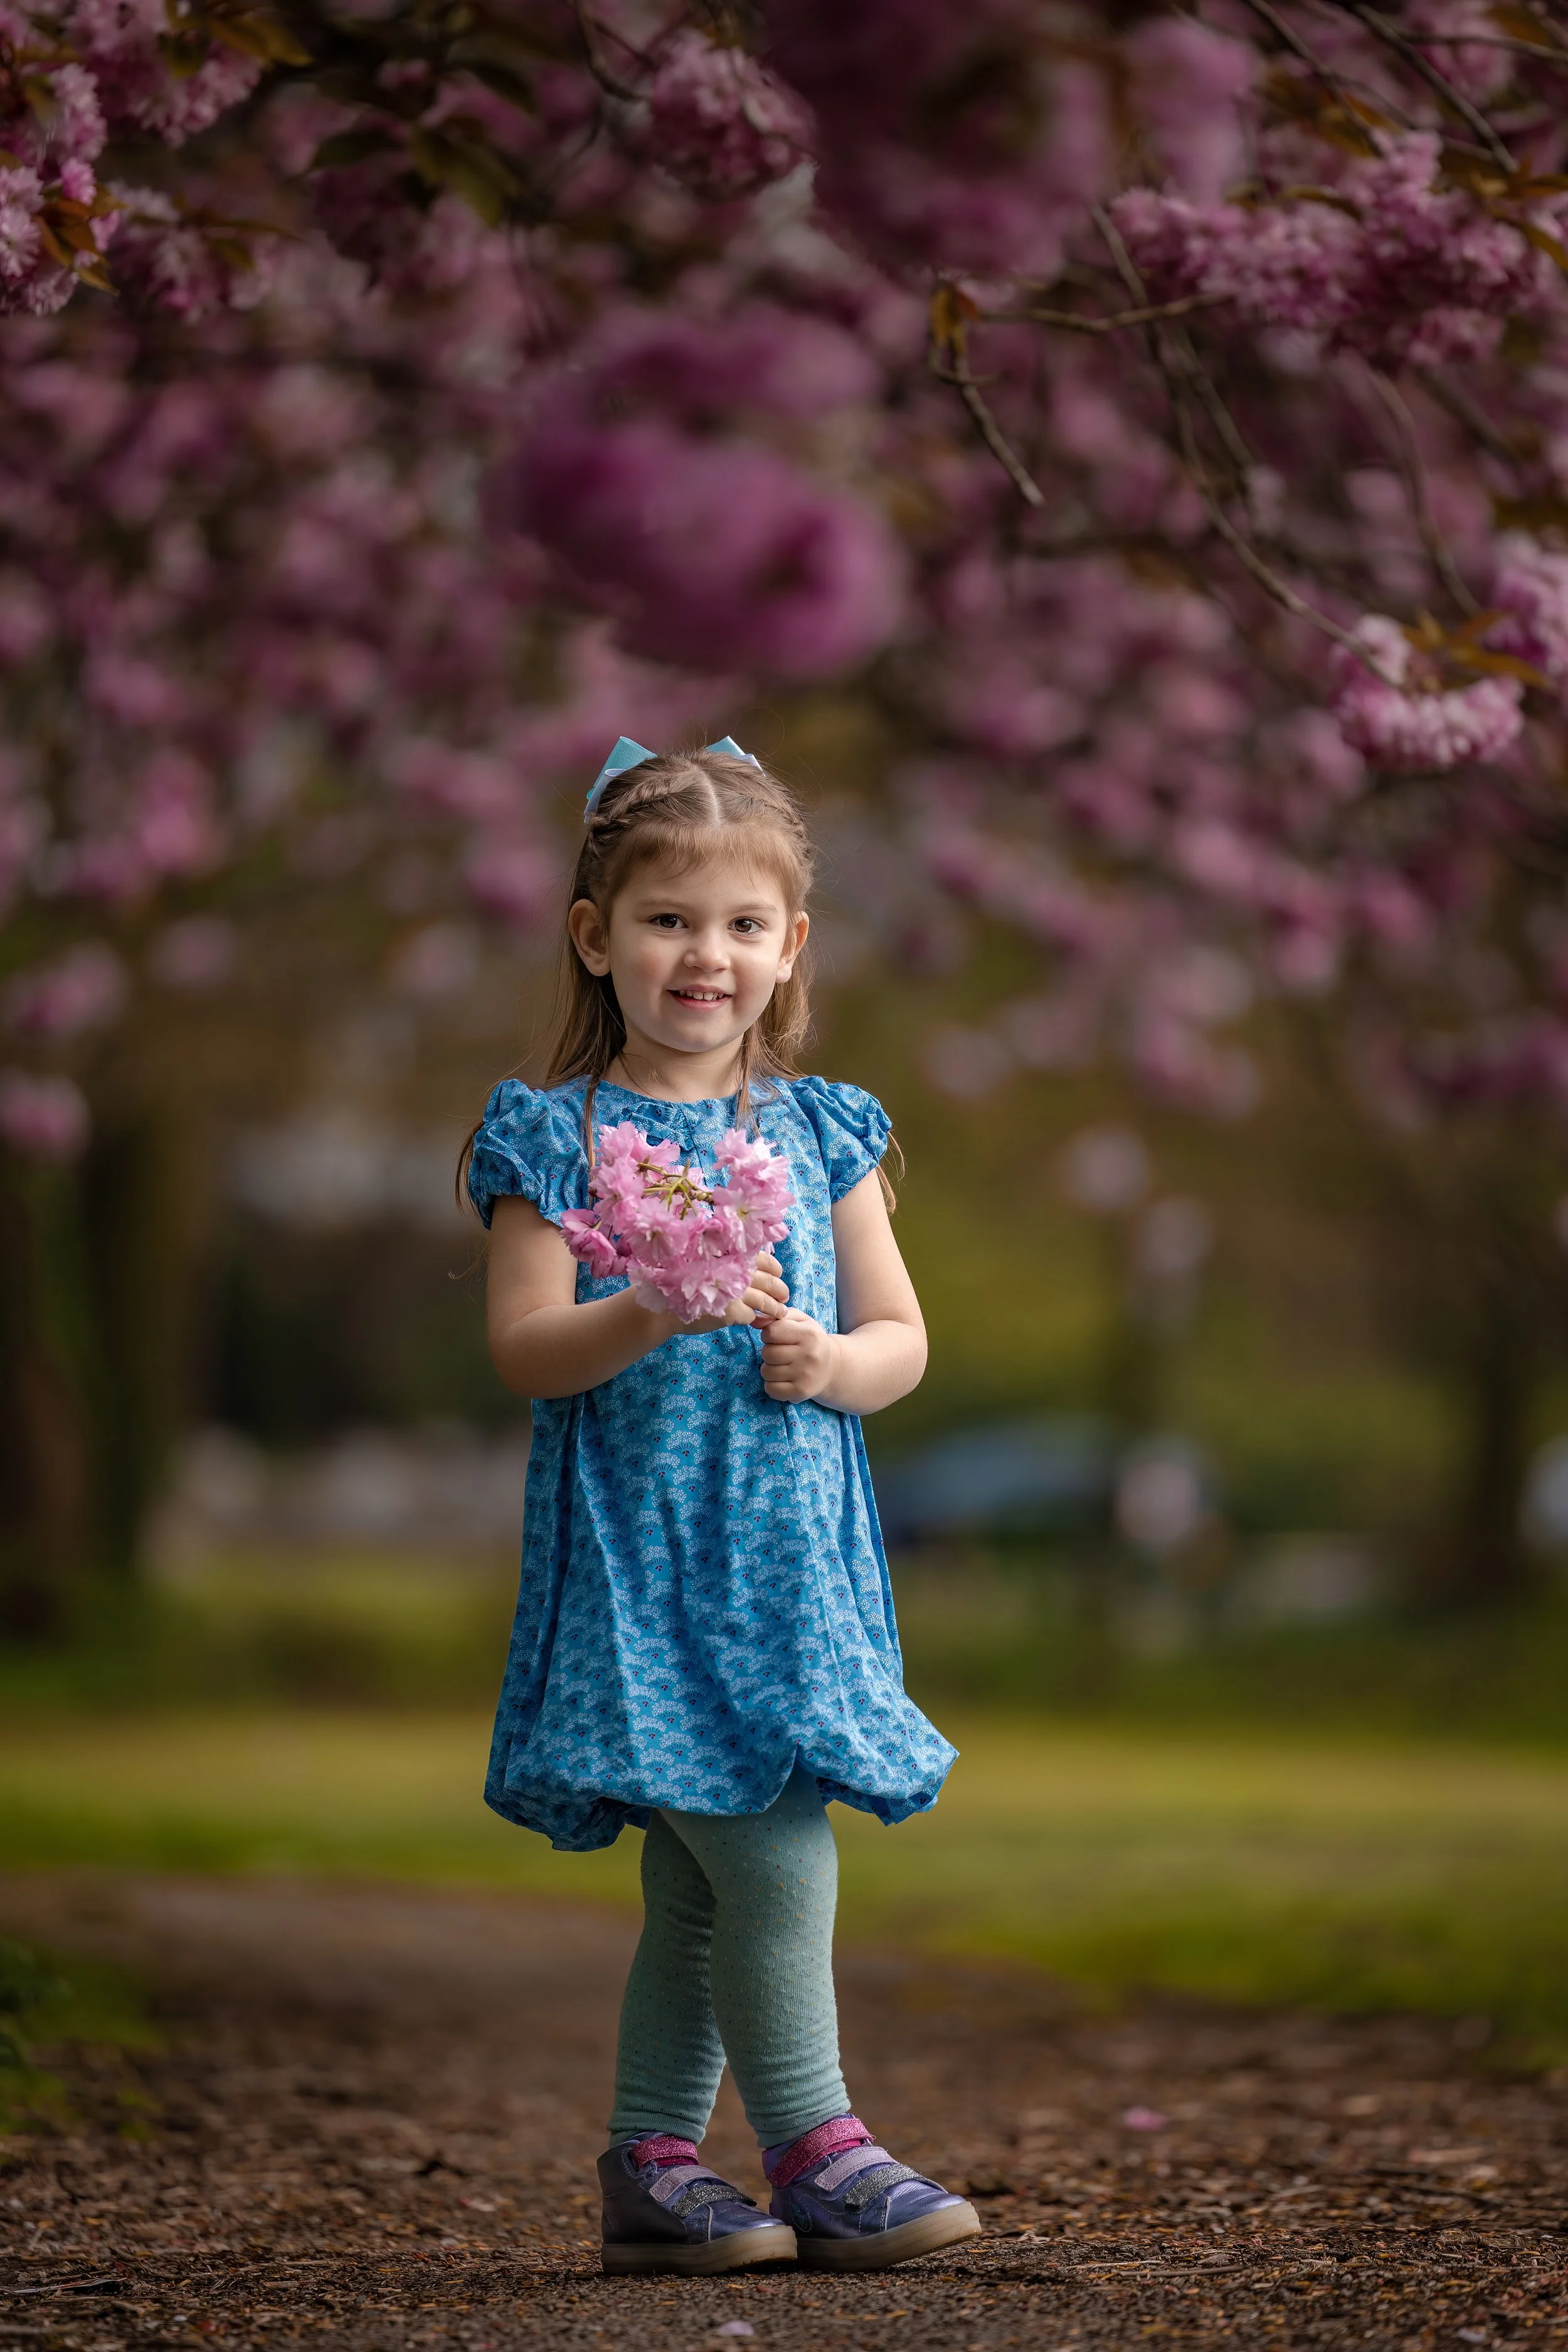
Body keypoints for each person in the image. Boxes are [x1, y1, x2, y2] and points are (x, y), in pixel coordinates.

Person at [463, 736, 978, 2277]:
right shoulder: (548, 1138)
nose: (706, 955)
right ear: (594, 936)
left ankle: (655, 2167)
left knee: (698, 1889)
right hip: (645, 1558)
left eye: (741, 924)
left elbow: (903, 1340)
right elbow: (525, 1350)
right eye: (668, 920)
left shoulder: (825, 1131)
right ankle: (818, 2146)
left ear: (789, 946)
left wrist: (828, 1362)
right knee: (768, 1850)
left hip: (791, 1562)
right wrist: (647, 1309)